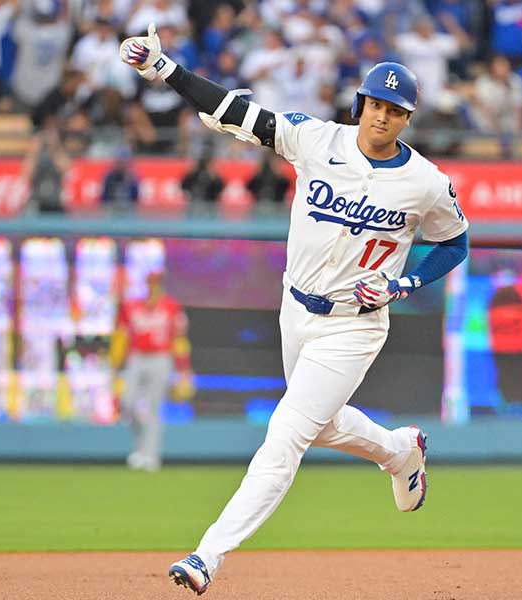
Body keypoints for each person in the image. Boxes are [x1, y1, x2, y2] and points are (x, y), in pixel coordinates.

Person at [120, 24, 469, 595]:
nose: (381, 116)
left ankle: (207, 555)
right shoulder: (318, 140)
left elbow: (455, 243)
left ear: (408, 118)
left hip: (354, 326)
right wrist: (165, 71)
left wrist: (405, 283)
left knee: (285, 434)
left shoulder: (425, 183)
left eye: (394, 109)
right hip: (295, 310)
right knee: (323, 424)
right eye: (374, 104)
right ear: (361, 105)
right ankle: (400, 451)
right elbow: (240, 114)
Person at [111, 269, 192, 472]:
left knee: (154, 408)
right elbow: (121, 337)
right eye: (150, 283)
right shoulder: (132, 306)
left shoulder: (171, 307)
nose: (152, 286)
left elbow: (179, 339)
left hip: (161, 358)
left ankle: (151, 455)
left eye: (156, 283)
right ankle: (141, 447)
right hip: (137, 357)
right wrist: (114, 365)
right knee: (127, 404)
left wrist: (184, 369)